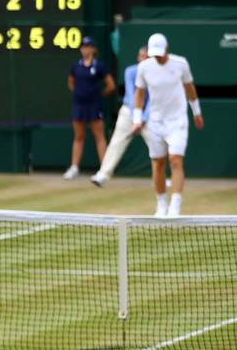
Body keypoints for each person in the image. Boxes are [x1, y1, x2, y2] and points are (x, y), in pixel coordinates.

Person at [132, 33, 204, 217]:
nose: (158, 56)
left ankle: (175, 205)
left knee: (176, 159)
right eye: (154, 53)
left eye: (160, 52)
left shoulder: (181, 64)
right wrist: (137, 118)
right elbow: (139, 93)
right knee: (158, 163)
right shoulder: (144, 67)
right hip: (156, 122)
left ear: (167, 49)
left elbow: (190, 88)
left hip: (177, 120)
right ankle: (161, 204)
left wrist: (197, 112)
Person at [92, 47, 150, 187]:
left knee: (158, 145)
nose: (143, 59)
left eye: (147, 56)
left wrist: (144, 117)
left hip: (149, 115)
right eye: (141, 56)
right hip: (129, 112)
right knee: (117, 141)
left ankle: (165, 177)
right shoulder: (130, 71)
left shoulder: (157, 75)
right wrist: (136, 116)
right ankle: (103, 175)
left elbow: (154, 99)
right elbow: (131, 95)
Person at [63, 37, 116, 181]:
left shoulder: (99, 66)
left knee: (99, 136)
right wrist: (79, 94)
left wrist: (98, 95)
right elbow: (71, 82)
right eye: (82, 46)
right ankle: (74, 167)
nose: (84, 49)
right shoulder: (76, 66)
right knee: (79, 137)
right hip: (79, 105)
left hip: (94, 106)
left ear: (93, 49)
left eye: (87, 46)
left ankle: (105, 170)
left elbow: (110, 85)